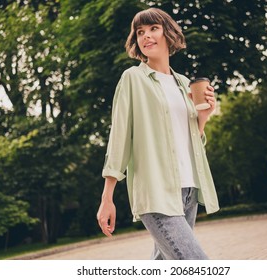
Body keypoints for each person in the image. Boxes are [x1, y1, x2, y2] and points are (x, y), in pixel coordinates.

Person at [97, 7, 219, 260]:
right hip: (156, 192)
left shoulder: (185, 83)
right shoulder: (132, 78)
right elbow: (119, 137)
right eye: (140, 32)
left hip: (188, 190)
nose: (146, 36)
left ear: (168, 34)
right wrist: (107, 197)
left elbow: (190, 139)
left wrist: (204, 117)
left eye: (153, 28)